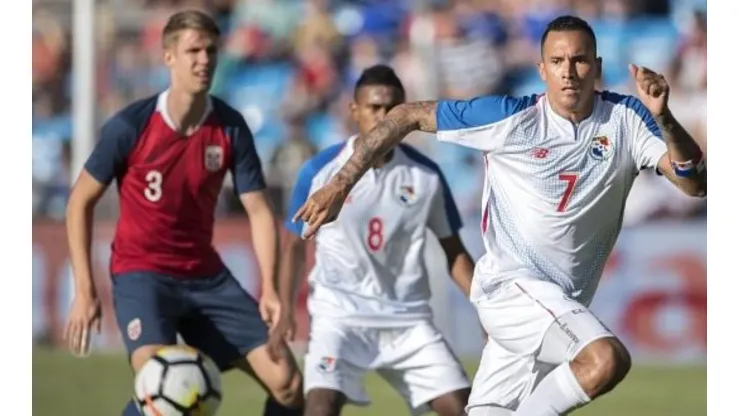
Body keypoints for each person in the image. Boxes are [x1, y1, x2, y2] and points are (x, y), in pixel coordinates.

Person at [292, 15, 706, 416]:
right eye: (558, 62)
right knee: (605, 360)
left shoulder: (628, 119)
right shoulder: (511, 117)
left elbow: (694, 183)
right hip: (511, 288)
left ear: (596, 66)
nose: (570, 72)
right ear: (541, 69)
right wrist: (340, 184)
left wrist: (664, 117)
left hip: (558, 306)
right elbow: (405, 115)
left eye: (580, 60)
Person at [63, 10, 303, 416]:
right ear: (168, 57)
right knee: (164, 387)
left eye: (211, 50)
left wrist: (271, 290)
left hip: (205, 276)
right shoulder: (131, 126)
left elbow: (259, 211)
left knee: (289, 384)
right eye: (193, 50)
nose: (204, 60)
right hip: (143, 275)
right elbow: (78, 202)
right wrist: (85, 290)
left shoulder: (231, 128)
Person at [280, 65, 474, 416]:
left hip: (407, 319)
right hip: (340, 315)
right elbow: (293, 243)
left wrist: (488, 310)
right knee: (320, 407)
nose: (383, 118)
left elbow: (454, 251)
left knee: (464, 408)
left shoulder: (426, 175)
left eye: (392, 109)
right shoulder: (320, 171)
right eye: (374, 108)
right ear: (354, 110)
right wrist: (283, 311)